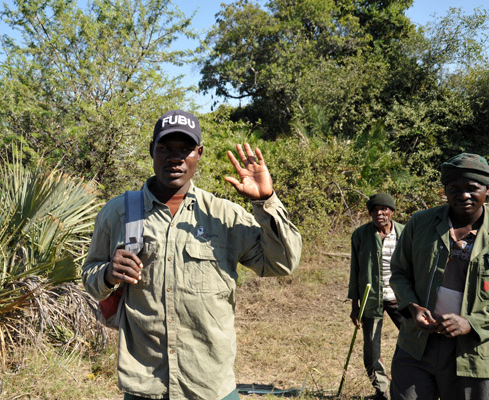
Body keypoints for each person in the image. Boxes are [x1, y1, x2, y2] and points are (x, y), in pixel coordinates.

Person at [82, 110, 302, 400]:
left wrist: (265, 201)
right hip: (146, 384)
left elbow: (282, 263)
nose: (175, 157)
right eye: (165, 148)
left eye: (185, 149)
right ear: (152, 151)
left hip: (210, 384)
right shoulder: (119, 213)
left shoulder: (223, 215)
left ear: (198, 154)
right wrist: (108, 273)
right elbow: (90, 277)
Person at [390, 153, 489, 400]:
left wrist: (471, 324)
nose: (463, 195)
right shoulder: (420, 223)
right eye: (454, 188)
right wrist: (412, 307)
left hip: (474, 353)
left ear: (487, 189)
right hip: (417, 345)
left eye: (472, 188)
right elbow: (400, 272)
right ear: (445, 190)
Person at [348, 193, 404, 400]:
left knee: (414, 341)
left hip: (401, 298)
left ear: (391, 211)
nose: (380, 213)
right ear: (370, 213)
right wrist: (355, 305)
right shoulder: (361, 235)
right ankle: (381, 390)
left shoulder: (405, 233)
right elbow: (355, 271)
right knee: (372, 348)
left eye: (384, 209)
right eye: (375, 210)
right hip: (372, 299)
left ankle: (412, 387)